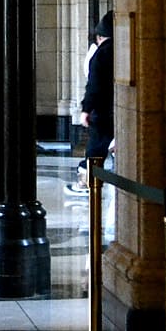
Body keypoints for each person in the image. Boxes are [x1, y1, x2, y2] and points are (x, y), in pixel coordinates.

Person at [66, 10, 114, 196]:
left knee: (96, 147)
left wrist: (86, 109)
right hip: (116, 109)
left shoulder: (101, 54)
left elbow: (94, 85)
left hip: (103, 110)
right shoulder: (123, 49)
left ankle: (88, 182)